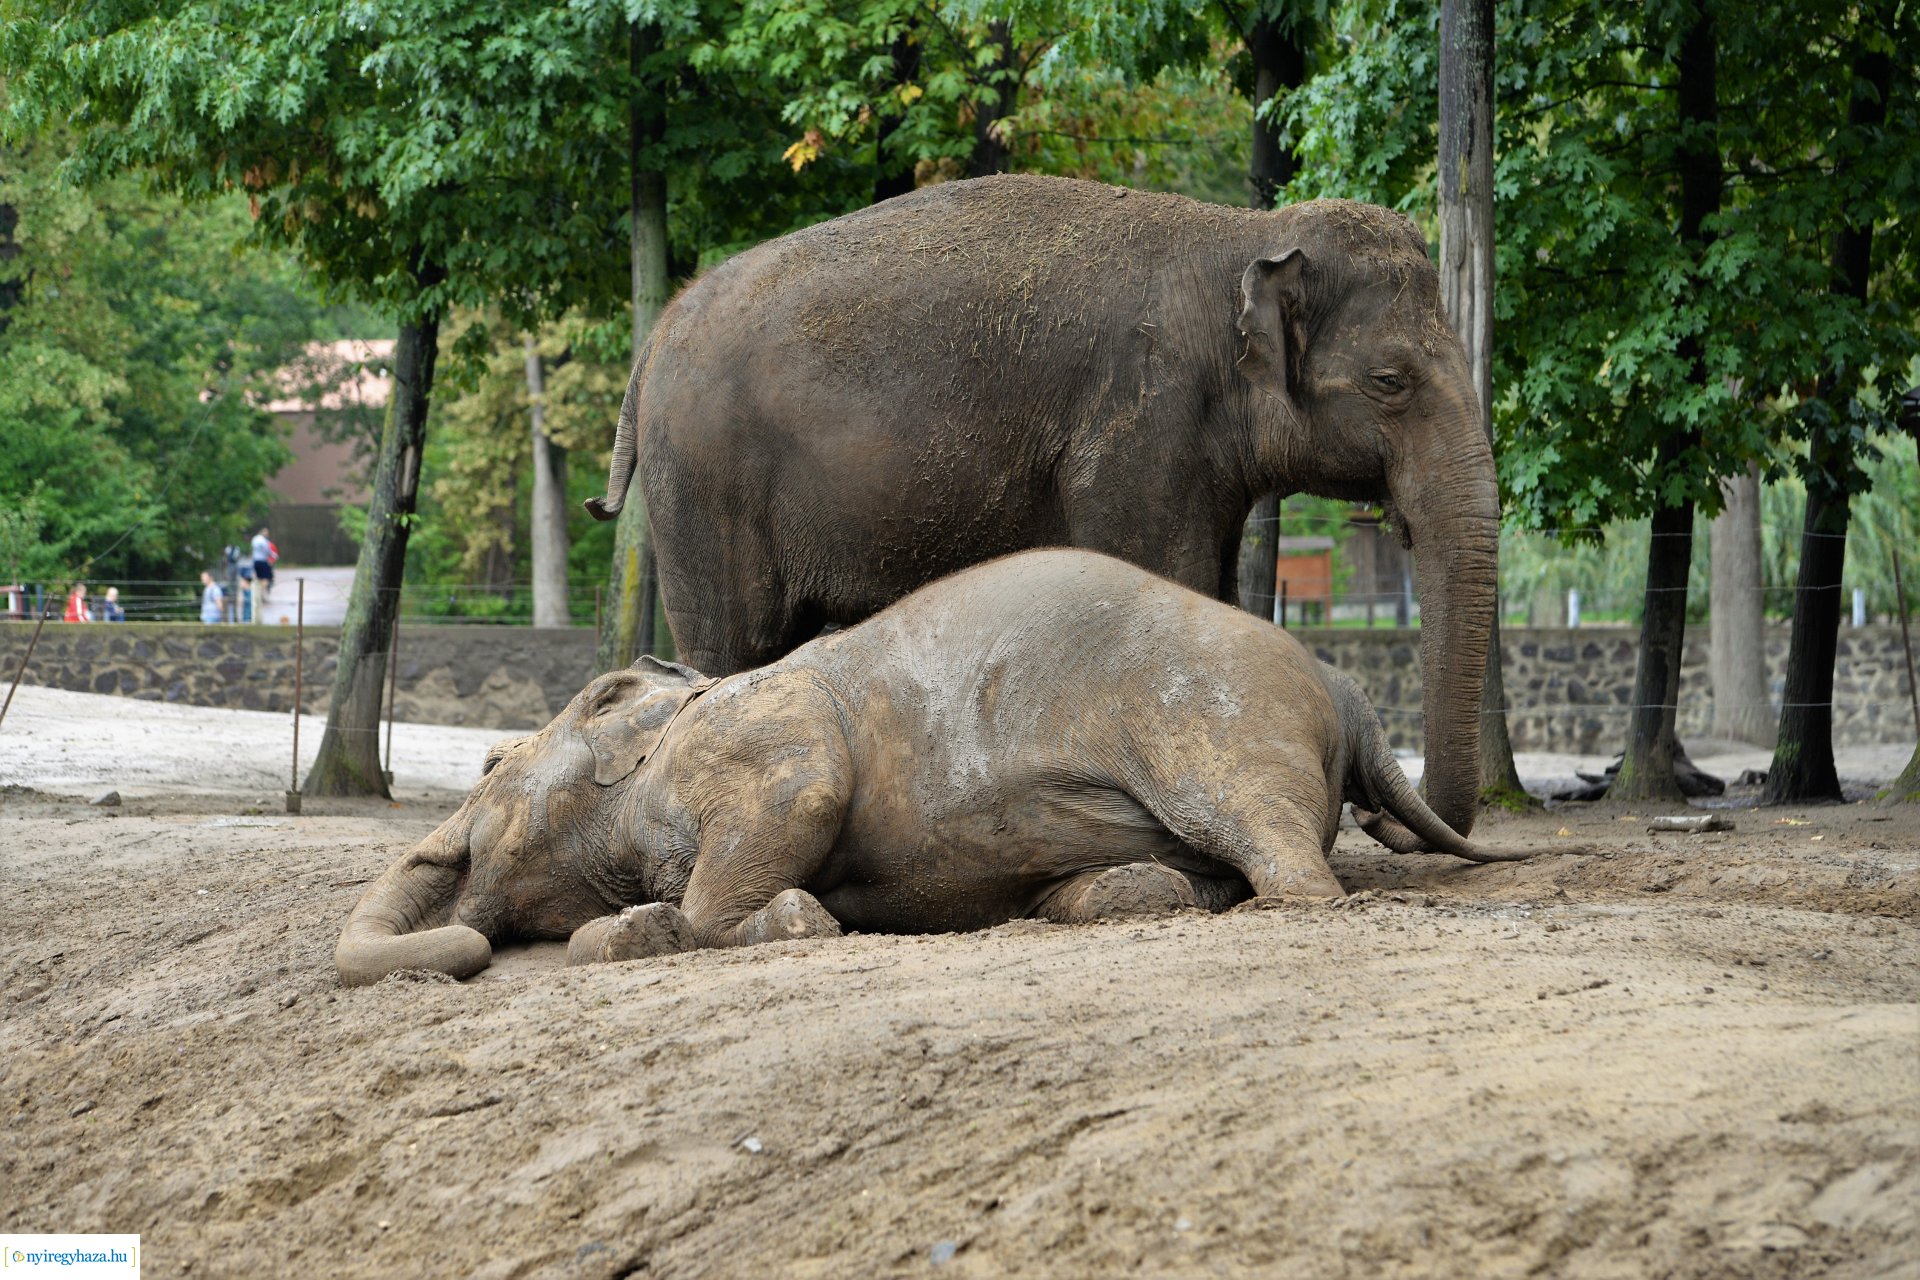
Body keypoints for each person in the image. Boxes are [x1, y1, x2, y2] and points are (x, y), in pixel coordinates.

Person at [250, 527, 275, 601]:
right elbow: (267, 550)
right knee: (266, 578)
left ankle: (259, 593)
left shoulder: (254, 539)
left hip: (255, 561)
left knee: (259, 578)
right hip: (263, 561)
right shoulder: (264, 540)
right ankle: (261, 593)